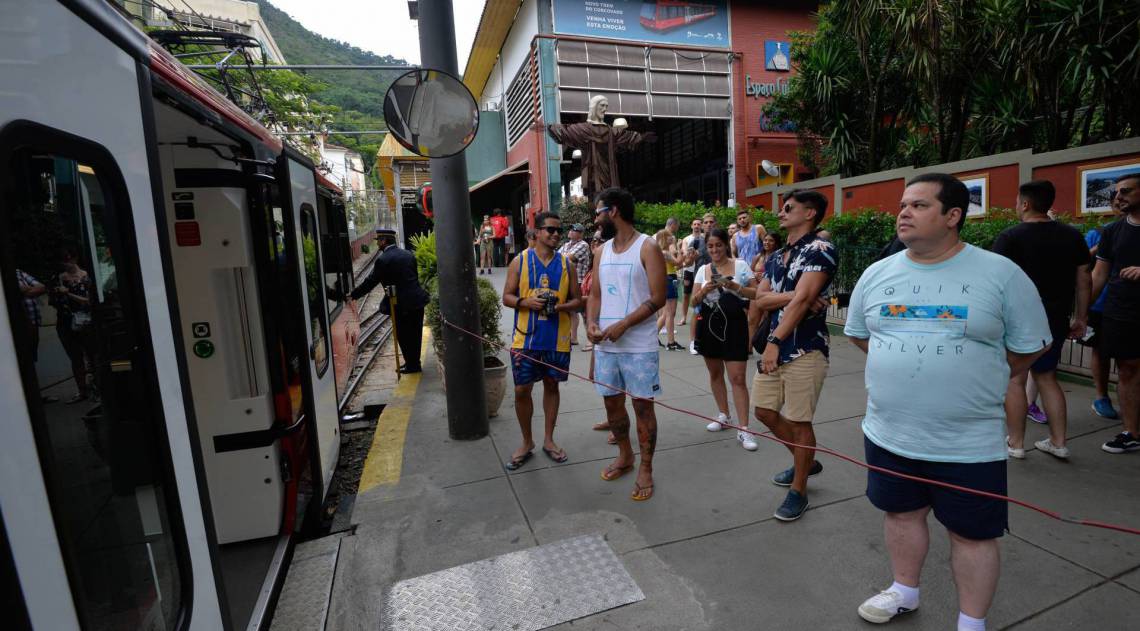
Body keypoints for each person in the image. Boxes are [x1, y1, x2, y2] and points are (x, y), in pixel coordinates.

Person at [845, 173, 1050, 630]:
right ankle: (904, 591)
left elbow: (1029, 347)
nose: (904, 212)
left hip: (967, 443)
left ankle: (971, 623)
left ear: (953, 215)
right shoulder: (877, 273)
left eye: (919, 205)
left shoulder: (1000, 274)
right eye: (903, 205)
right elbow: (861, 335)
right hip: (889, 433)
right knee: (901, 515)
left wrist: (976, 377)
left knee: (972, 535)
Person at [752, 190, 837, 521]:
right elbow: (761, 299)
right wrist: (796, 294)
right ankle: (806, 460)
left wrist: (775, 340)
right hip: (775, 347)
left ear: (810, 213)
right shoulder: (776, 256)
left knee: (800, 421)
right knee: (764, 411)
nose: (781, 212)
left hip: (805, 347)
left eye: (789, 208)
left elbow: (802, 302)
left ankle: (799, 490)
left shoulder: (820, 250)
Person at [991, 180, 1090, 460]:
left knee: (1015, 379)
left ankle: (1016, 443)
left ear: (1025, 204)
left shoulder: (1010, 237)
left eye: (1016, 201)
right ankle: (1059, 442)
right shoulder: (1072, 236)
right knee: (1047, 377)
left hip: (1017, 318)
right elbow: (1084, 279)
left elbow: (994, 281)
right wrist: (1081, 317)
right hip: (1055, 317)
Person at [587, 187, 667, 501]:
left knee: (642, 406)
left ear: (613, 211)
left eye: (598, 212)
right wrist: (592, 323)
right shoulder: (600, 252)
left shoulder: (648, 247)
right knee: (612, 404)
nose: (596, 219)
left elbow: (658, 298)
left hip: (639, 346)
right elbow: (595, 295)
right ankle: (625, 455)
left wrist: (624, 324)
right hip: (606, 346)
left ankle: (646, 467)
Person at [501, 212, 583, 470]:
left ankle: (549, 439)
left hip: (556, 339)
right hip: (525, 339)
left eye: (559, 230)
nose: (556, 234)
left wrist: (560, 307)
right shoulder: (520, 261)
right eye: (550, 229)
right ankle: (527, 442)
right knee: (521, 390)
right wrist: (525, 302)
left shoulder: (567, 264)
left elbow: (578, 301)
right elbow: (507, 297)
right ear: (536, 232)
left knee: (552, 385)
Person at [691, 228, 758, 450]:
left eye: (718, 245)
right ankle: (724, 415)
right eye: (710, 246)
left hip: (735, 326)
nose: (714, 250)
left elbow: (757, 293)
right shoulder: (703, 270)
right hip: (709, 325)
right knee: (715, 373)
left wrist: (734, 287)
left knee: (737, 377)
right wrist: (705, 290)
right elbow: (693, 302)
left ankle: (744, 428)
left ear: (726, 245)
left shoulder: (741, 265)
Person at [1091, 172, 1140, 454]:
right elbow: (1099, 275)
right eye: (1117, 192)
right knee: (1127, 369)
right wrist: (1081, 313)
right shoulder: (1111, 232)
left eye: (1126, 191)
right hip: (1120, 311)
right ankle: (1131, 432)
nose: (1118, 196)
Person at [351, 228, 429, 373]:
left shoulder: (383, 260)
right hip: (417, 300)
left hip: (400, 305)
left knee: (403, 335)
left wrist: (353, 295)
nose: (377, 244)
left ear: (384, 241)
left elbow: (370, 282)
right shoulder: (408, 254)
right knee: (415, 334)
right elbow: (414, 277)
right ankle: (414, 363)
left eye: (378, 241)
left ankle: (412, 365)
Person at [546, 96, 655, 200]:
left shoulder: (610, 131)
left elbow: (626, 136)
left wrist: (642, 137)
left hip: (608, 171)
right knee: (598, 197)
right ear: (594, 107)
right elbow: (565, 131)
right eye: (602, 105)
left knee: (609, 196)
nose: (604, 109)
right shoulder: (584, 129)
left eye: (606, 106)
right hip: (593, 172)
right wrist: (548, 127)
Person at [1081, 220, 1119, 419]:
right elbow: (1080, 262)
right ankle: (1102, 397)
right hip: (1099, 304)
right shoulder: (1098, 232)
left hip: (1128, 305)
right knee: (1100, 350)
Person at [49, 245, 96, 403]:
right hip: (66, 322)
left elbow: (89, 301)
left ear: (75, 258)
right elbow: (53, 301)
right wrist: (58, 294)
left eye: (68, 259)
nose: (66, 263)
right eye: (63, 261)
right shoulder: (58, 278)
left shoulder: (86, 276)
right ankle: (82, 390)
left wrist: (67, 293)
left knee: (92, 355)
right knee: (75, 358)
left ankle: (96, 388)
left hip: (85, 321)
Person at [688, 213, 718, 355]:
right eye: (705, 222)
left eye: (711, 222)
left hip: (718, 278)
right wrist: (691, 257)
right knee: (697, 311)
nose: (708, 224)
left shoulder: (721, 238)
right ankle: (694, 341)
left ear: (715, 223)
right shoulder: (696, 241)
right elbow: (687, 262)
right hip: (700, 279)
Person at [558, 223, 592, 347]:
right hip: (568, 281)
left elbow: (566, 258)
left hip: (579, 282)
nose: (571, 231)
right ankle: (573, 338)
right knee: (572, 310)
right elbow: (557, 257)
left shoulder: (583, 245)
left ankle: (590, 340)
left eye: (575, 230)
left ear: (581, 234)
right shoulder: (566, 244)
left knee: (584, 312)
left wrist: (560, 257)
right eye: (571, 229)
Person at [654, 218, 683, 351]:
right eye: (670, 237)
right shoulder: (665, 253)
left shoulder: (661, 252)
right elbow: (678, 262)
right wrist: (681, 249)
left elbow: (675, 265)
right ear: (665, 239)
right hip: (669, 279)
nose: (672, 238)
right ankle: (671, 342)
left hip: (667, 278)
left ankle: (652, 337)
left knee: (666, 313)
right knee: (670, 313)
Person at [679, 218, 702, 327]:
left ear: (701, 226)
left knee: (700, 295)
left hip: (700, 270)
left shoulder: (704, 238)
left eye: (698, 224)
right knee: (686, 294)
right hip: (689, 270)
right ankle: (684, 317)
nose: (696, 226)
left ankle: (699, 317)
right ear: (691, 226)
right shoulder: (686, 239)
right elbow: (684, 252)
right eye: (695, 224)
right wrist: (687, 252)